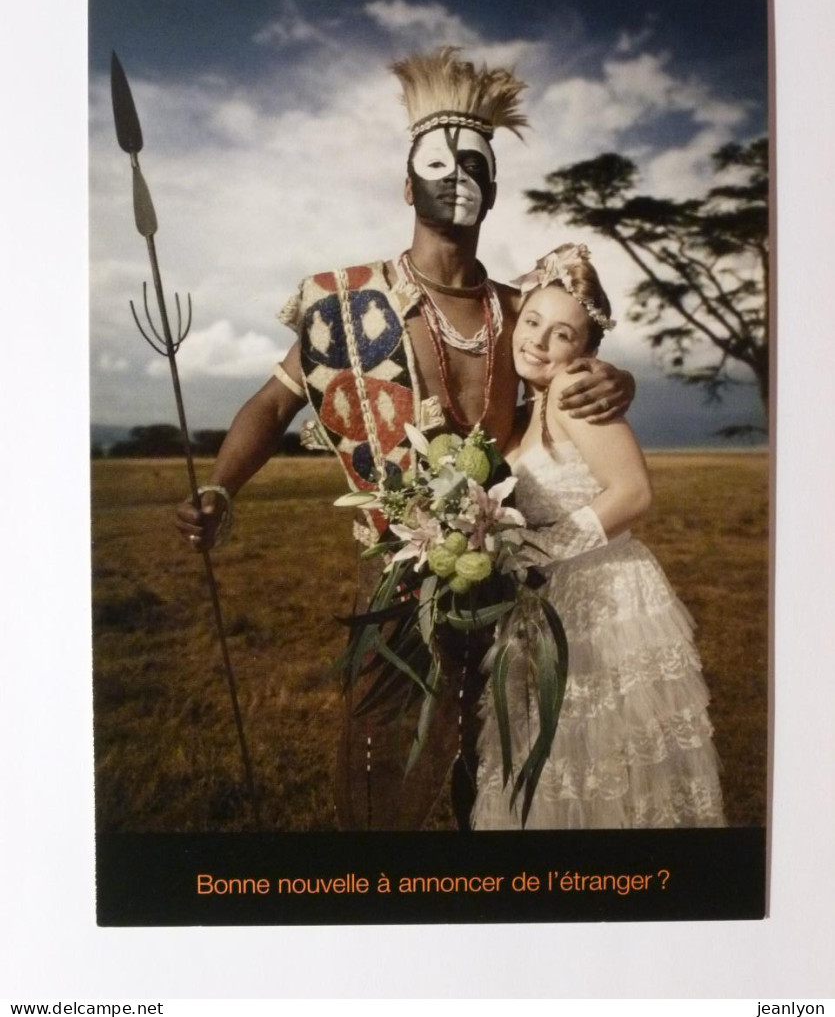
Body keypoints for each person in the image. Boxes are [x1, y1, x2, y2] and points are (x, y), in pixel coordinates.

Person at [175, 48, 636, 830]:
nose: (457, 175)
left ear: (494, 188)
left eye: (476, 164)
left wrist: (622, 382)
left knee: (502, 748)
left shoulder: (521, 306)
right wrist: (220, 485)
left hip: (514, 568)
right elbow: (271, 404)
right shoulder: (347, 306)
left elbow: (582, 376)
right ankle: (372, 900)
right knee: (382, 753)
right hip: (397, 574)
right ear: (404, 184)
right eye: (438, 161)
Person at [472, 244, 726, 829]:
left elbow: (633, 493)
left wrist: (535, 551)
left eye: (562, 334)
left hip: (601, 595)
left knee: (599, 756)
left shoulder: (572, 390)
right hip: (545, 600)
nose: (537, 340)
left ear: (585, 350)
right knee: (551, 759)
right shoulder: (519, 410)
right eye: (531, 321)